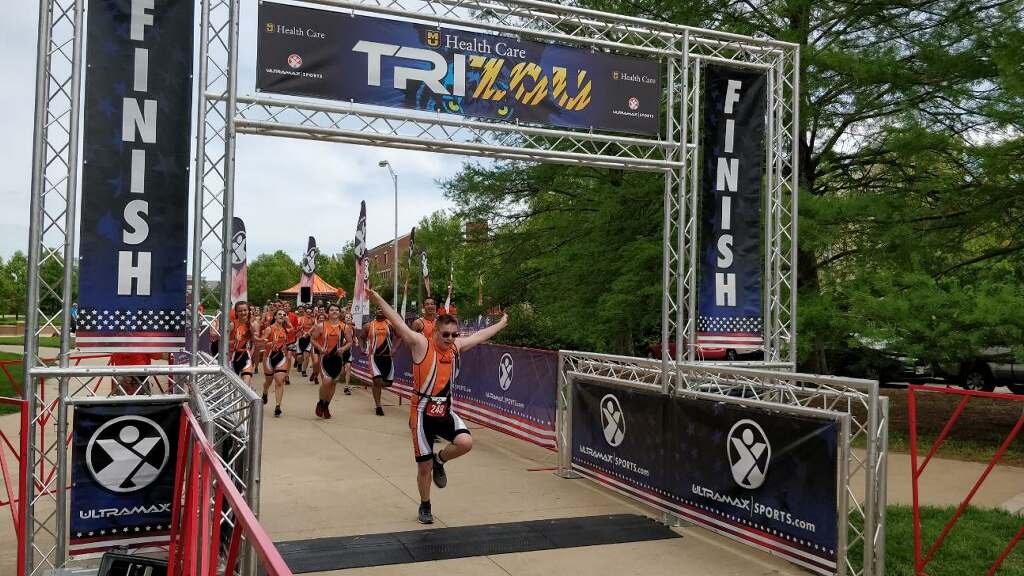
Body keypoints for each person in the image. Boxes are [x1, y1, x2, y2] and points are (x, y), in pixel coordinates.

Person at [367, 287, 508, 525]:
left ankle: (440, 460)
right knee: (423, 467)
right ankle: (425, 505)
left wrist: (502, 323)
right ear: (436, 334)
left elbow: (480, 335)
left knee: (465, 443)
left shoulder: (456, 347)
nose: (451, 339)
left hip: (445, 409)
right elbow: (397, 322)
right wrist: (377, 298)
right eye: (446, 335)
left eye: (454, 335)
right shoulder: (421, 344)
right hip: (421, 413)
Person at [311, 304, 352, 419]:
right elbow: (312, 339)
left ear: (340, 313)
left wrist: (343, 349)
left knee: (333, 382)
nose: (334, 312)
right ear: (328, 313)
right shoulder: (321, 326)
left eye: (336, 310)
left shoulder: (345, 327)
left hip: (338, 359)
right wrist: (320, 348)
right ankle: (320, 403)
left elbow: (350, 342)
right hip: (325, 358)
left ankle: (326, 405)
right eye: (332, 310)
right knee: (326, 381)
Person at [365, 306, 400, 416]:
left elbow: (400, 337)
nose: (380, 310)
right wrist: (362, 348)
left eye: (382, 309)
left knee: (388, 383)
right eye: (378, 309)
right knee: (377, 381)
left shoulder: (390, 324)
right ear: (375, 311)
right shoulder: (369, 325)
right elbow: (361, 337)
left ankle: (376, 385)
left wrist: (394, 348)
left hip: (387, 357)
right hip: (374, 356)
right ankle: (378, 406)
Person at [260, 309, 291, 417]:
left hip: (281, 358)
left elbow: (289, 341)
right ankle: (265, 391)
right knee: (268, 381)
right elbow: (261, 343)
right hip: (269, 357)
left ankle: (278, 406)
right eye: (279, 314)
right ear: (275, 316)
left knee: (279, 381)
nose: (282, 316)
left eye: (284, 314)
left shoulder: (285, 330)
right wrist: (269, 343)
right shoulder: (269, 329)